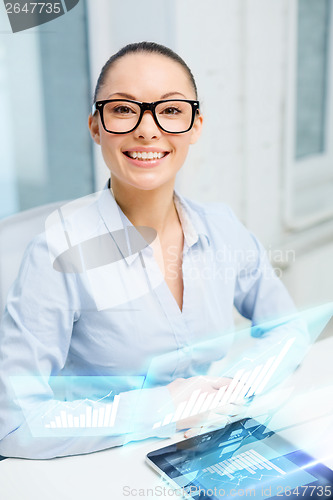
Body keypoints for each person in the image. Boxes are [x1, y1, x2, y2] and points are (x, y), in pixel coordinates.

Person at [0, 42, 301, 460]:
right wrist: (161, 409)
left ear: (196, 125)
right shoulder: (55, 255)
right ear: (95, 126)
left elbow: (288, 328)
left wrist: (236, 387)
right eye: (123, 109)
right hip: (98, 467)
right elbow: (14, 424)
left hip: (211, 448)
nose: (147, 129)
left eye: (171, 110)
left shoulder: (222, 228)